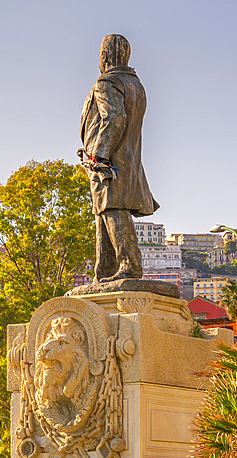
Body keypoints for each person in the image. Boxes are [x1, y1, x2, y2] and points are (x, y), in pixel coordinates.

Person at [79, 34, 158, 283]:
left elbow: (114, 117)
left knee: (112, 209)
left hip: (109, 162)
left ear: (103, 58)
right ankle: (103, 270)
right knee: (104, 210)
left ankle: (129, 265)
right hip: (128, 160)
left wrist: (98, 155)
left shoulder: (107, 82)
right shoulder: (136, 85)